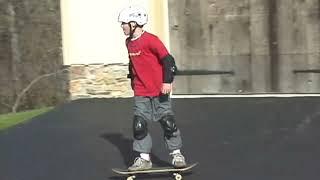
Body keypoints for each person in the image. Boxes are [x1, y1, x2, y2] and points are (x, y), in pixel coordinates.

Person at [118, 6, 187, 171]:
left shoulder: (151, 40)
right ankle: (144, 159)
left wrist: (167, 81)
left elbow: (168, 61)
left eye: (124, 23)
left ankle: (176, 154)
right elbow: (133, 63)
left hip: (159, 90)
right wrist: (133, 79)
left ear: (134, 23)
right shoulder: (128, 43)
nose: (122, 26)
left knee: (167, 122)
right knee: (139, 124)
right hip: (141, 91)